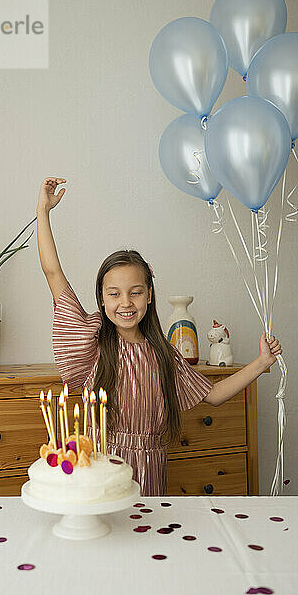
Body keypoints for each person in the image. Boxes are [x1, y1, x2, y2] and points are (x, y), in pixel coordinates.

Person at [36, 176, 283, 496]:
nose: (125, 303)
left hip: (153, 468)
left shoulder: (163, 353)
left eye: (135, 292)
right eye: (114, 294)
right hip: (103, 465)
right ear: (102, 299)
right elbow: (53, 273)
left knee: (145, 538)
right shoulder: (94, 344)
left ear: (149, 295)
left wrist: (262, 361)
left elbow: (215, 394)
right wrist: (43, 210)